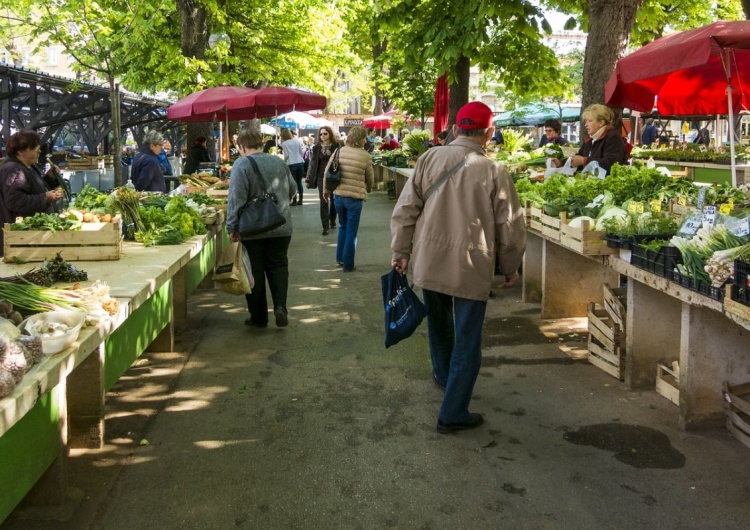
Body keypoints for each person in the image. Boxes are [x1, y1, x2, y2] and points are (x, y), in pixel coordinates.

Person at [390, 101, 526, 434]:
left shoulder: (428, 158)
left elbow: (406, 209)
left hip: (430, 259)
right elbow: (510, 226)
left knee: (439, 326)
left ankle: (443, 375)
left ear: (454, 130)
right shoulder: (494, 172)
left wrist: (401, 251)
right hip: (471, 265)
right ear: (490, 134)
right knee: (468, 339)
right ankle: (453, 411)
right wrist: (510, 268)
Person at [226, 128, 297, 329]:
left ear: (241, 146)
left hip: (253, 228)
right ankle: (281, 307)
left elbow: (236, 198)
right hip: (281, 225)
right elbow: (292, 189)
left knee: (254, 271)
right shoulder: (279, 162)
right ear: (261, 143)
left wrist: (231, 226)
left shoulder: (242, 164)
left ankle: (258, 317)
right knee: (278, 266)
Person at [0, 130, 65, 253]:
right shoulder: (14, 170)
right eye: (35, 148)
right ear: (20, 151)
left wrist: (49, 178)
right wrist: (45, 198)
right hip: (20, 238)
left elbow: (33, 188)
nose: (39, 151)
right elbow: (15, 202)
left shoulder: (27, 167)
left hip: (28, 236)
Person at [323, 125, 374, 272]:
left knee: (343, 227)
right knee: (352, 231)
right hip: (355, 198)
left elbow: (327, 170)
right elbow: (370, 178)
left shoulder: (339, 151)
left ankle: (340, 258)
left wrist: (326, 190)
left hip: (338, 196)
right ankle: (348, 264)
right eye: (364, 137)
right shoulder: (365, 156)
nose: (366, 139)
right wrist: (368, 189)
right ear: (361, 139)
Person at [552, 104, 628, 174]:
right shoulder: (590, 140)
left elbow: (610, 164)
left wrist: (584, 161)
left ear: (601, 122)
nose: (586, 125)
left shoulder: (613, 138)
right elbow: (579, 157)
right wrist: (561, 163)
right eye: (586, 121)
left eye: (590, 121)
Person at [305, 126, 339, 235]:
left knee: (334, 200)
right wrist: (308, 178)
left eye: (325, 134)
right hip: (320, 176)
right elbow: (312, 163)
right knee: (323, 200)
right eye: (321, 134)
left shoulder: (337, 146)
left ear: (330, 134)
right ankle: (325, 226)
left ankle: (332, 219)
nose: (322, 136)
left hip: (333, 176)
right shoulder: (317, 147)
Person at [280, 129, 306, 206]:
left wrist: (284, 161)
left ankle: (294, 200)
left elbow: (287, 155)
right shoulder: (296, 141)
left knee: (293, 183)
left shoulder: (284, 143)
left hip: (291, 164)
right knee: (299, 182)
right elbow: (301, 153)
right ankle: (301, 200)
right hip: (300, 162)